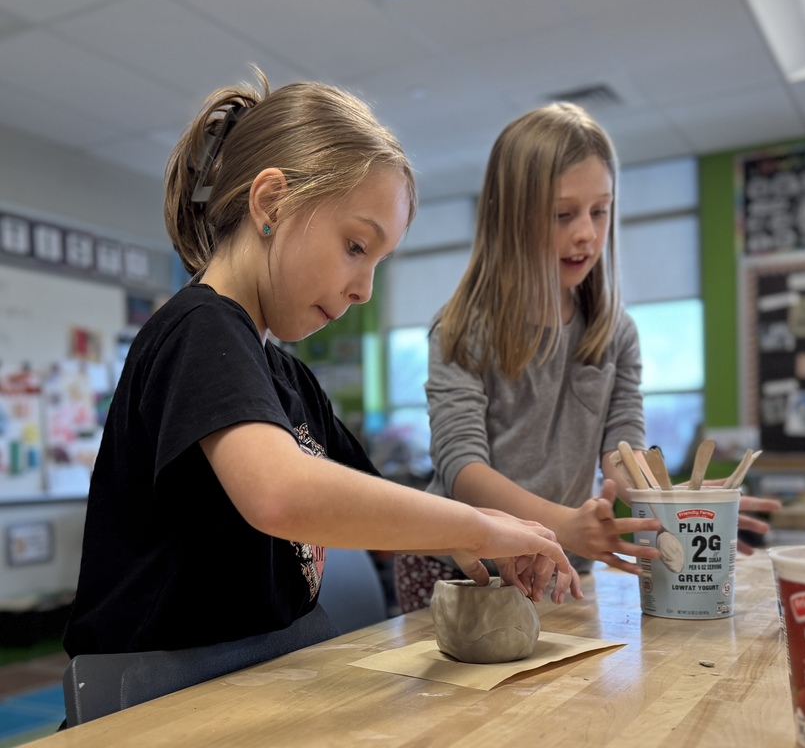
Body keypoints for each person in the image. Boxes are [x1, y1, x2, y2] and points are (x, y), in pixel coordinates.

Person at [62, 69, 581, 660]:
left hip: (264, 675)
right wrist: (475, 528)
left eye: (379, 260)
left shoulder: (287, 378)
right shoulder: (200, 329)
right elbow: (282, 493)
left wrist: (466, 530)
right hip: (156, 698)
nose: (365, 290)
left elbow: (370, 505)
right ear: (272, 203)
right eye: (357, 246)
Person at [394, 102, 780, 612]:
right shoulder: (462, 329)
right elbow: (463, 472)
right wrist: (564, 523)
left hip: (559, 565)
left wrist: (673, 497)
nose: (587, 233)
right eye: (563, 214)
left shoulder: (613, 331)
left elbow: (623, 451)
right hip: (459, 570)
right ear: (509, 217)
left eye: (600, 211)